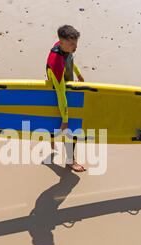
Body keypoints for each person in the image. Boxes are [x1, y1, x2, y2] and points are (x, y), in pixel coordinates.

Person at [46, 25, 86, 172]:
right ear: (61, 42)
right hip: (59, 91)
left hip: (65, 86)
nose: (75, 47)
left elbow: (70, 60)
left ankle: (51, 137)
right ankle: (71, 161)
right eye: (72, 44)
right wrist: (65, 120)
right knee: (70, 130)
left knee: (52, 119)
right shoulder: (56, 63)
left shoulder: (63, 47)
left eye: (76, 43)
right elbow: (61, 94)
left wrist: (79, 74)